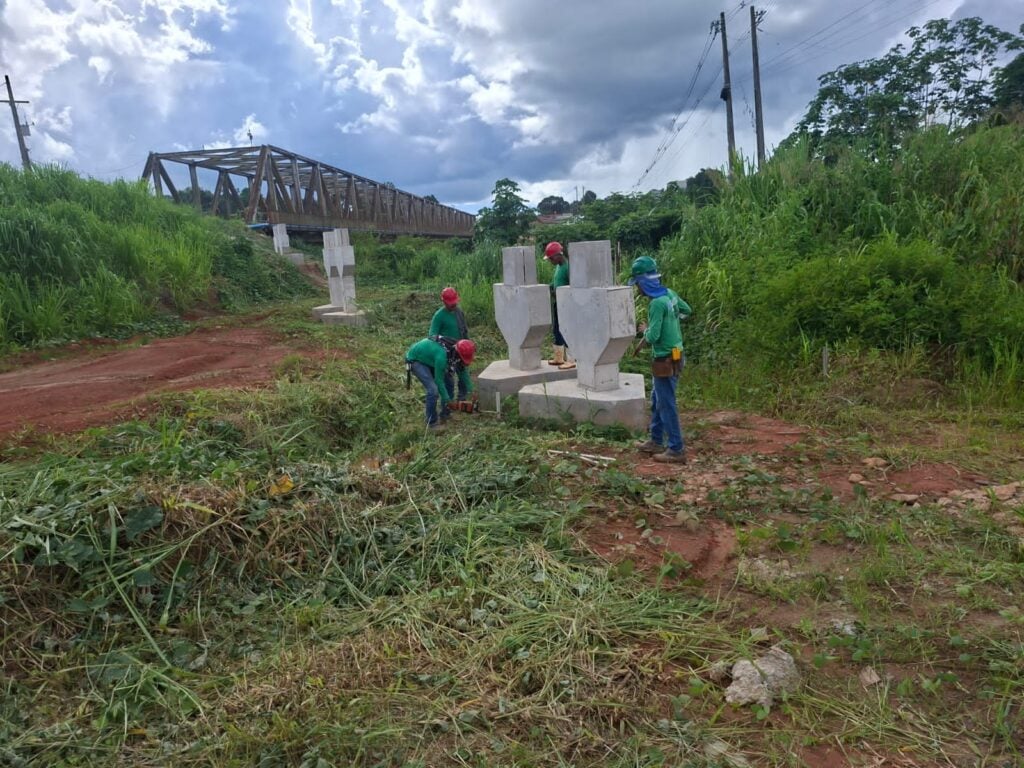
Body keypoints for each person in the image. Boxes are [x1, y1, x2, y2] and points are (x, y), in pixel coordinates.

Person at [628, 255, 691, 464]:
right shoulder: (670, 295)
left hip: (665, 359)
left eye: (637, 284)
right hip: (677, 354)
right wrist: (672, 321)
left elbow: (653, 337)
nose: (637, 289)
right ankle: (655, 440)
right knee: (657, 400)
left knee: (666, 403)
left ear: (644, 282)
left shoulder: (656, 304)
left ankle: (676, 449)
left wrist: (646, 331)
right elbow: (687, 311)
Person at [405, 336, 476, 430]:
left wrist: (472, 391)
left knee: (450, 382)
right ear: (458, 354)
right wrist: (448, 400)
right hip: (416, 360)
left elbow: (463, 372)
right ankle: (432, 423)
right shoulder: (442, 356)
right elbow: (439, 381)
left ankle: (445, 414)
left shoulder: (455, 351)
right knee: (433, 390)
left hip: (430, 357)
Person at [429, 287, 471, 400]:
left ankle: (462, 398)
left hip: (461, 350)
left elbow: (464, 330)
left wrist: (468, 345)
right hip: (447, 352)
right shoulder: (439, 316)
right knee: (449, 381)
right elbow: (432, 336)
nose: (453, 305)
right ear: (443, 302)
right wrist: (445, 343)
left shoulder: (459, 312)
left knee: (463, 374)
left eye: (454, 303)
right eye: (450, 303)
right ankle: (447, 402)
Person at [543, 242, 576, 370]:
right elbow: (557, 282)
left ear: (558, 255)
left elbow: (572, 287)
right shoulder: (558, 267)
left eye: (551, 258)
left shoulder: (568, 268)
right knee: (557, 330)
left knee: (567, 331)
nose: (550, 261)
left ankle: (571, 359)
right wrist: (549, 287)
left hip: (567, 305)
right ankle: (558, 357)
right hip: (558, 303)